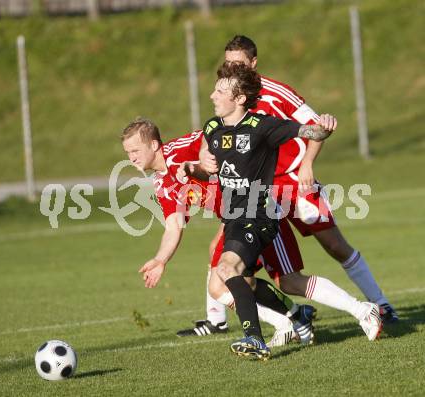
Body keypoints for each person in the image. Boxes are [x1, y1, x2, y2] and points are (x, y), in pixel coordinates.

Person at [179, 35, 397, 339]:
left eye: (237, 64)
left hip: (294, 183)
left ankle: (378, 304)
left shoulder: (276, 95)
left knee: (332, 246)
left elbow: (314, 128)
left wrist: (307, 163)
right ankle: (249, 320)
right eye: (227, 64)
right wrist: (199, 162)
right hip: (260, 194)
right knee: (228, 256)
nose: (230, 70)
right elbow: (213, 144)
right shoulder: (225, 109)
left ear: (253, 64)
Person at [179, 61, 338, 360]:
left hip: (258, 213)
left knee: (226, 270)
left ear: (239, 99)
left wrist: (324, 126)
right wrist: (195, 169)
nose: (212, 96)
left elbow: (311, 132)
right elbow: (207, 172)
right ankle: (297, 314)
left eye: (220, 91)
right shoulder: (213, 128)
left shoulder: (263, 126)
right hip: (234, 218)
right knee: (246, 282)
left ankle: (254, 339)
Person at [121, 117, 316, 346]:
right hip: (235, 218)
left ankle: (348, 311)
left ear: (153, 145)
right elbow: (173, 225)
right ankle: (293, 316)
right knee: (240, 281)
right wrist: (160, 259)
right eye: (127, 152)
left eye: (135, 150)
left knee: (266, 281)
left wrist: (205, 152)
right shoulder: (161, 182)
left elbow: (212, 132)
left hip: (253, 208)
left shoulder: (180, 149)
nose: (131, 157)